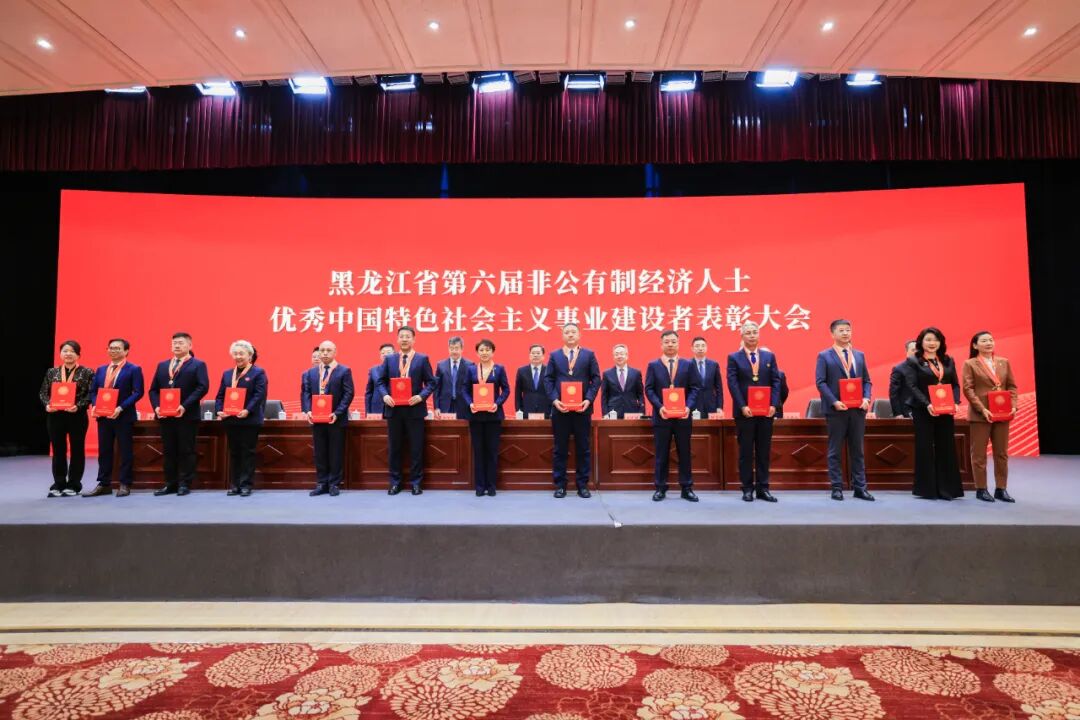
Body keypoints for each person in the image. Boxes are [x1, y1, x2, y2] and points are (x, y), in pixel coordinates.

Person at [814, 319, 875, 501]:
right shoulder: (824, 356)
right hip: (836, 411)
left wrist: (866, 398)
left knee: (858, 450)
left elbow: (867, 381)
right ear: (832, 334)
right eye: (841, 330)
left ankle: (860, 488)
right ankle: (837, 487)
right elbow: (821, 382)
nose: (845, 333)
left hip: (857, 410)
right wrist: (834, 401)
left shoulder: (859, 355)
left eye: (848, 330)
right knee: (835, 450)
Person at [901, 327, 963, 500]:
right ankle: (927, 490)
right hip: (923, 410)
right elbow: (912, 386)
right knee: (925, 448)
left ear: (941, 342)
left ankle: (948, 489)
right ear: (921, 342)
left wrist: (955, 401)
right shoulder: (914, 361)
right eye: (928, 340)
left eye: (936, 340)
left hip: (945, 409)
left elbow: (955, 384)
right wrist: (927, 404)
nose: (932, 343)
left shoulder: (948, 360)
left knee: (947, 447)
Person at [376, 326, 436, 495]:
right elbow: (380, 381)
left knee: (416, 448)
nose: (404, 339)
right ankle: (395, 482)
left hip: (414, 409)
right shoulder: (389, 359)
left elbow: (431, 382)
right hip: (394, 409)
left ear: (413, 339)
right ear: (397, 339)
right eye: (401, 336)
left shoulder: (422, 359)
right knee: (394, 448)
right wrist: (385, 395)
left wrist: (421, 396)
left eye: (408, 336)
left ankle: (416, 483)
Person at [148, 332, 209, 496]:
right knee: (168, 451)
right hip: (165, 416)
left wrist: (184, 406)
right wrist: (157, 407)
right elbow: (153, 390)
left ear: (190, 345)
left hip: (186, 416)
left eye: (181, 343)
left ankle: (184, 483)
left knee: (186, 450)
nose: (176, 345)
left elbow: (202, 387)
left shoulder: (198, 365)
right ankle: (170, 483)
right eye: (174, 343)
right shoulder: (163, 365)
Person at [543, 323, 601, 498]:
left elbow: (596, 379)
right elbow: (548, 379)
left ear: (579, 335)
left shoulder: (589, 354)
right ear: (562, 335)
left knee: (583, 448)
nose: (570, 335)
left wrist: (588, 399)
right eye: (567, 332)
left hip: (582, 409)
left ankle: (582, 485)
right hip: (560, 410)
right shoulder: (554, 355)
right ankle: (560, 485)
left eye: (573, 332)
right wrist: (555, 400)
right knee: (560, 448)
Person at [726, 321, 782, 502]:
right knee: (746, 452)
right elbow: (733, 384)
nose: (752, 335)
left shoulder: (769, 356)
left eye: (754, 332)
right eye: (748, 333)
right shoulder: (734, 357)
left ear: (759, 335)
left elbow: (776, 381)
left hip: (766, 412)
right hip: (745, 413)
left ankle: (763, 488)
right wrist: (742, 406)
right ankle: (747, 488)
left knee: (764, 451)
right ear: (742, 336)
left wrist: (774, 405)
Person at [644, 330, 702, 502]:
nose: (670, 344)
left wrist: (688, 407)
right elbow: (649, 389)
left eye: (673, 342)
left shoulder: (688, 364)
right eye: (667, 342)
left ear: (678, 343)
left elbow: (695, 388)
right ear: (661, 344)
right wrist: (660, 406)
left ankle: (687, 487)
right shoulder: (653, 365)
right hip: (662, 417)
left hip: (683, 417)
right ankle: (660, 488)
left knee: (684, 453)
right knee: (661, 453)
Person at [962, 331, 1019, 503]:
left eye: (991, 340)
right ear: (975, 345)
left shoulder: (1004, 362)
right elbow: (968, 389)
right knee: (979, 454)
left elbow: (1012, 386)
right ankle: (981, 489)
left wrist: (1013, 405)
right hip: (981, 415)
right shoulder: (970, 363)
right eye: (984, 341)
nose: (988, 343)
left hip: (1002, 413)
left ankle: (1001, 489)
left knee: (1001, 453)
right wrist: (982, 409)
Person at [84, 338, 144, 498]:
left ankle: (125, 483)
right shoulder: (101, 369)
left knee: (125, 451)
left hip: (123, 416)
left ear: (126, 351)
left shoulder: (134, 369)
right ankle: (104, 484)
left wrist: (121, 407)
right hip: (103, 416)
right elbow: (94, 391)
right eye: (111, 348)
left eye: (117, 348)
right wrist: (95, 405)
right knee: (104, 451)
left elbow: (138, 392)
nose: (113, 351)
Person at [39, 340, 93, 497]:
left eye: (72, 351)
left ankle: (74, 484)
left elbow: (91, 394)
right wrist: (47, 405)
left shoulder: (87, 372)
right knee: (58, 450)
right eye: (65, 351)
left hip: (77, 416)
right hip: (55, 416)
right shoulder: (52, 372)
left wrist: (79, 406)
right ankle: (59, 483)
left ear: (78, 355)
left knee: (77, 450)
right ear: (60, 354)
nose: (68, 354)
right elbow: (43, 392)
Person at [302, 340, 355, 497]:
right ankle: (321, 483)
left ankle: (334, 484)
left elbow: (348, 393)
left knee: (335, 452)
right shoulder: (310, 373)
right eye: (322, 350)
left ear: (335, 352)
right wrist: (308, 411)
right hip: (316, 419)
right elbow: (305, 393)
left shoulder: (344, 371)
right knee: (320, 452)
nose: (324, 353)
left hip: (335, 419)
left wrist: (337, 413)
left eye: (328, 350)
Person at [215, 340, 267, 497]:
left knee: (247, 452)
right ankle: (235, 484)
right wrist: (219, 410)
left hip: (249, 420)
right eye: (235, 353)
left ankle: (246, 485)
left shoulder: (258, 373)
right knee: (234, 452)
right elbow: (220, 395)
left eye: (241, 353)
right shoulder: (227, 374)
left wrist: (247, 410)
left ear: (249, 355)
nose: (238, 356)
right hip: (231, 419)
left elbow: (259, 395)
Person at [463, 339, 510, 497]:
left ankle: (491, 485)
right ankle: (479, 485)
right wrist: (470, 403)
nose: (484, 353)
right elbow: (464, 390)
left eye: (487, 350)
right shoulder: (471, 369)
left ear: (493, 352)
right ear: (477, 353)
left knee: (492, 451)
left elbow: (506, 390)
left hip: (493, 415)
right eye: (481, 350)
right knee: (478, 451)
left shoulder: (499, 369)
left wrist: (497, 403)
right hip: (476, 416)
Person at [600, 343, 644, 418]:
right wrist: (605, 414)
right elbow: (604, 396)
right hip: (613, 413)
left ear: (627, 356)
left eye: (621, 354)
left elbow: (640, 394)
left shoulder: (636, 373)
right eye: (616, 354)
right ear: (613, 357)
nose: (619, 356)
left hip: (632, 412)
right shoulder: (607, 374)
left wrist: (641, 412)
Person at [433, 336, 473, 419]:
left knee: (463, 427)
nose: (454, 351)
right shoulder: (441, 365)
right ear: (448, 349)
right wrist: (436, 407)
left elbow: (471, 387)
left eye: (456, 348)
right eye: (451, 348)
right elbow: (436, 388)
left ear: (462, 349)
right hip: (445, 405)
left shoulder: (470, 365)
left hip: (464, 405)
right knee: (447, 427)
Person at [690, 336, 724, 417]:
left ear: (706, 347)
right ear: (692, 348)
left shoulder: (713, 365)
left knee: (710, 425)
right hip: (693, 406)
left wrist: (719, 406)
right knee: (694, 425)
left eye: (703, 346)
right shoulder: (688, 365)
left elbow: (719, 388)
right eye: (697, 346)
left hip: (711, 406)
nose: (700, 348)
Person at [514, 344, 551, 418]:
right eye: (533, 353)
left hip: (546, 410)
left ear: (543, 356)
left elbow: (553, 391)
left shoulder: (549, 370)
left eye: (538, 353)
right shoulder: (521, 371)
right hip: (526, 410)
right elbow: (518, 393)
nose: (535, 355)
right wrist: (518, 410)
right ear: (529, 355)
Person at [889, 340, 918, 418]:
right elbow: (894, 393)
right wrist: (897, 413)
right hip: (906, 411)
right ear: (907, 351)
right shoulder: (899, 369)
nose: (916, 352)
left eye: (918, 350)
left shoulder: (925, 368)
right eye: (913, 350)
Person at [364, 343, 394, 416]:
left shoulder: (399, 369)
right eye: (383, 353)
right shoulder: (374, 370)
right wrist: (368, 412)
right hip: (376, 409)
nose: (385, 354)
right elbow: (369, 393)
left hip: (394, 408)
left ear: (394, 354)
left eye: (388, 352)